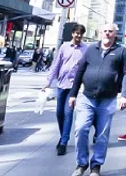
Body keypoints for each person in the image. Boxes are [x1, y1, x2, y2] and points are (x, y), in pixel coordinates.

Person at [68, 23, 126, 176]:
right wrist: (73, 94)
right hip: (87, 98)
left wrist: (124, 95)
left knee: (102, 135)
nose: (107, 34)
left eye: (110, 31)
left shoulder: (122, 51)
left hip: (107, 100)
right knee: (81, 129)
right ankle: (81, 163)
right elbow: (80, 71)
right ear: (100, 33)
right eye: (105, 31)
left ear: (115, 34)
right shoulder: (90, 49)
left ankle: (96, 166)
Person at [43, 23, 87, 155]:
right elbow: (56, 65)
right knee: (59, 113)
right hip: (61, 84)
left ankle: (63, 142)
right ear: (72, 33)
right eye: (76, 33)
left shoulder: (86, 49)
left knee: (68, 113)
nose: (78, 36)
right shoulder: (64, 47)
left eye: (80, 33)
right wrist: (48, 82)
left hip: (74, 86)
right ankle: (63, 136)